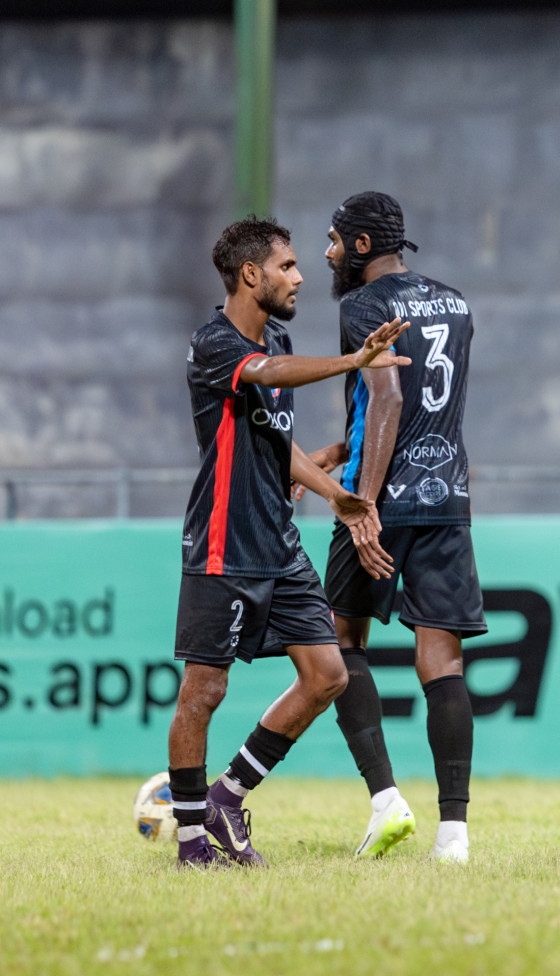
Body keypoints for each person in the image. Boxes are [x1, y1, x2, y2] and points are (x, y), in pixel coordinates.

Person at [168, 215, 410, 869]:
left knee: (329, 674)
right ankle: (193, 841)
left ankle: (228, 795)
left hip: (279, 544)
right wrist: (354, 361)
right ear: (251, 275)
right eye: (287, 266)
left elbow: (276, 440)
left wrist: (332, 491)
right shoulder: (215, 343)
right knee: (203, 692)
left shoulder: (276, 337)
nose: (301, 276)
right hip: (223, 542)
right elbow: (270, 371)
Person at [304, 192, 485, 865]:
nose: (324, 253)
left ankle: (386, 801)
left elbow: (387, 396)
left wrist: (363, 501)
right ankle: (454, 836)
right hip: (447, 496)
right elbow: (428, 406)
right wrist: (335, 451)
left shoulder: (361, 307)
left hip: (383, 495)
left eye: (330, 240)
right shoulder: (458, 302)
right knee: (441, 659)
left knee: (336, 639)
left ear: (358, 245)